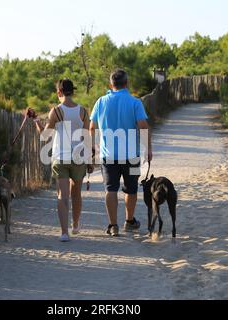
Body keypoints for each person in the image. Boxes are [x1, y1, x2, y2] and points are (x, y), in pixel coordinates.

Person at [90, 69, 153, 237]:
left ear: (111, 84)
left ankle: (113, 225)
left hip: (108, 155)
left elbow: (92, 127)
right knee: (131, 189)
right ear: (127, 83)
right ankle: (129, 221)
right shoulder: (134, 102)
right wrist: (148, 149)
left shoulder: (101, 102)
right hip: (131, 156)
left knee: (110, 189)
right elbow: (143, 126)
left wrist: (94, 146)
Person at [30, 79, 93, 242]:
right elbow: (87, 138)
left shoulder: (56, 111)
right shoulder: (84, 112)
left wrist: (37, 122)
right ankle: (76, 224)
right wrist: (90, 160)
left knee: (62, 196)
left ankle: (64, 233)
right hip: (78, 157)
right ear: (73, 91)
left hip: (60, 157)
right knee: (76, 193)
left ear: (59, 92)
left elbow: (45, 136)